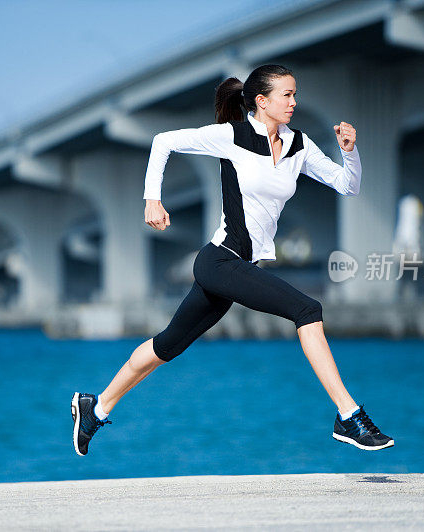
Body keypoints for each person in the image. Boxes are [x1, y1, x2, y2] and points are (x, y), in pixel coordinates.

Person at [71, 64, 394, 456]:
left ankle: (95, 407)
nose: (294, 102)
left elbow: (349, 186)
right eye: (286, 95)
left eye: (295, 94)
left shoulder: (299, 145)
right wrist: (152, 198)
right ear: (262, 101)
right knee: (308, 309)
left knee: (166, 346)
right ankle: (348, 415)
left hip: (238, 269)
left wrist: (350, 153)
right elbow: (162, 141)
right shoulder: (232, 136)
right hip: (219, 261)